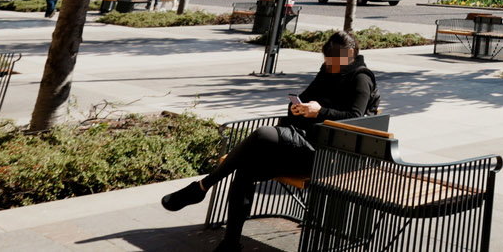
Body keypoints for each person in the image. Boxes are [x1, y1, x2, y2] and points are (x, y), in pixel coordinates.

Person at [161, 31, 381, 251]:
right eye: (327, 61)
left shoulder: (360, 78)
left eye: (334, 60)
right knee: (245, 170)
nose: (329, 65)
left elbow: (357, 118)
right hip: (302, 143)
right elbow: (305, 97)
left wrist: (320, 111)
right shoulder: (328, 71)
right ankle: (230, 243)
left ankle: (202, 186)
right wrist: (298, 107)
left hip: (326, 155)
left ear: (350, 54)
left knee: (264, 134)